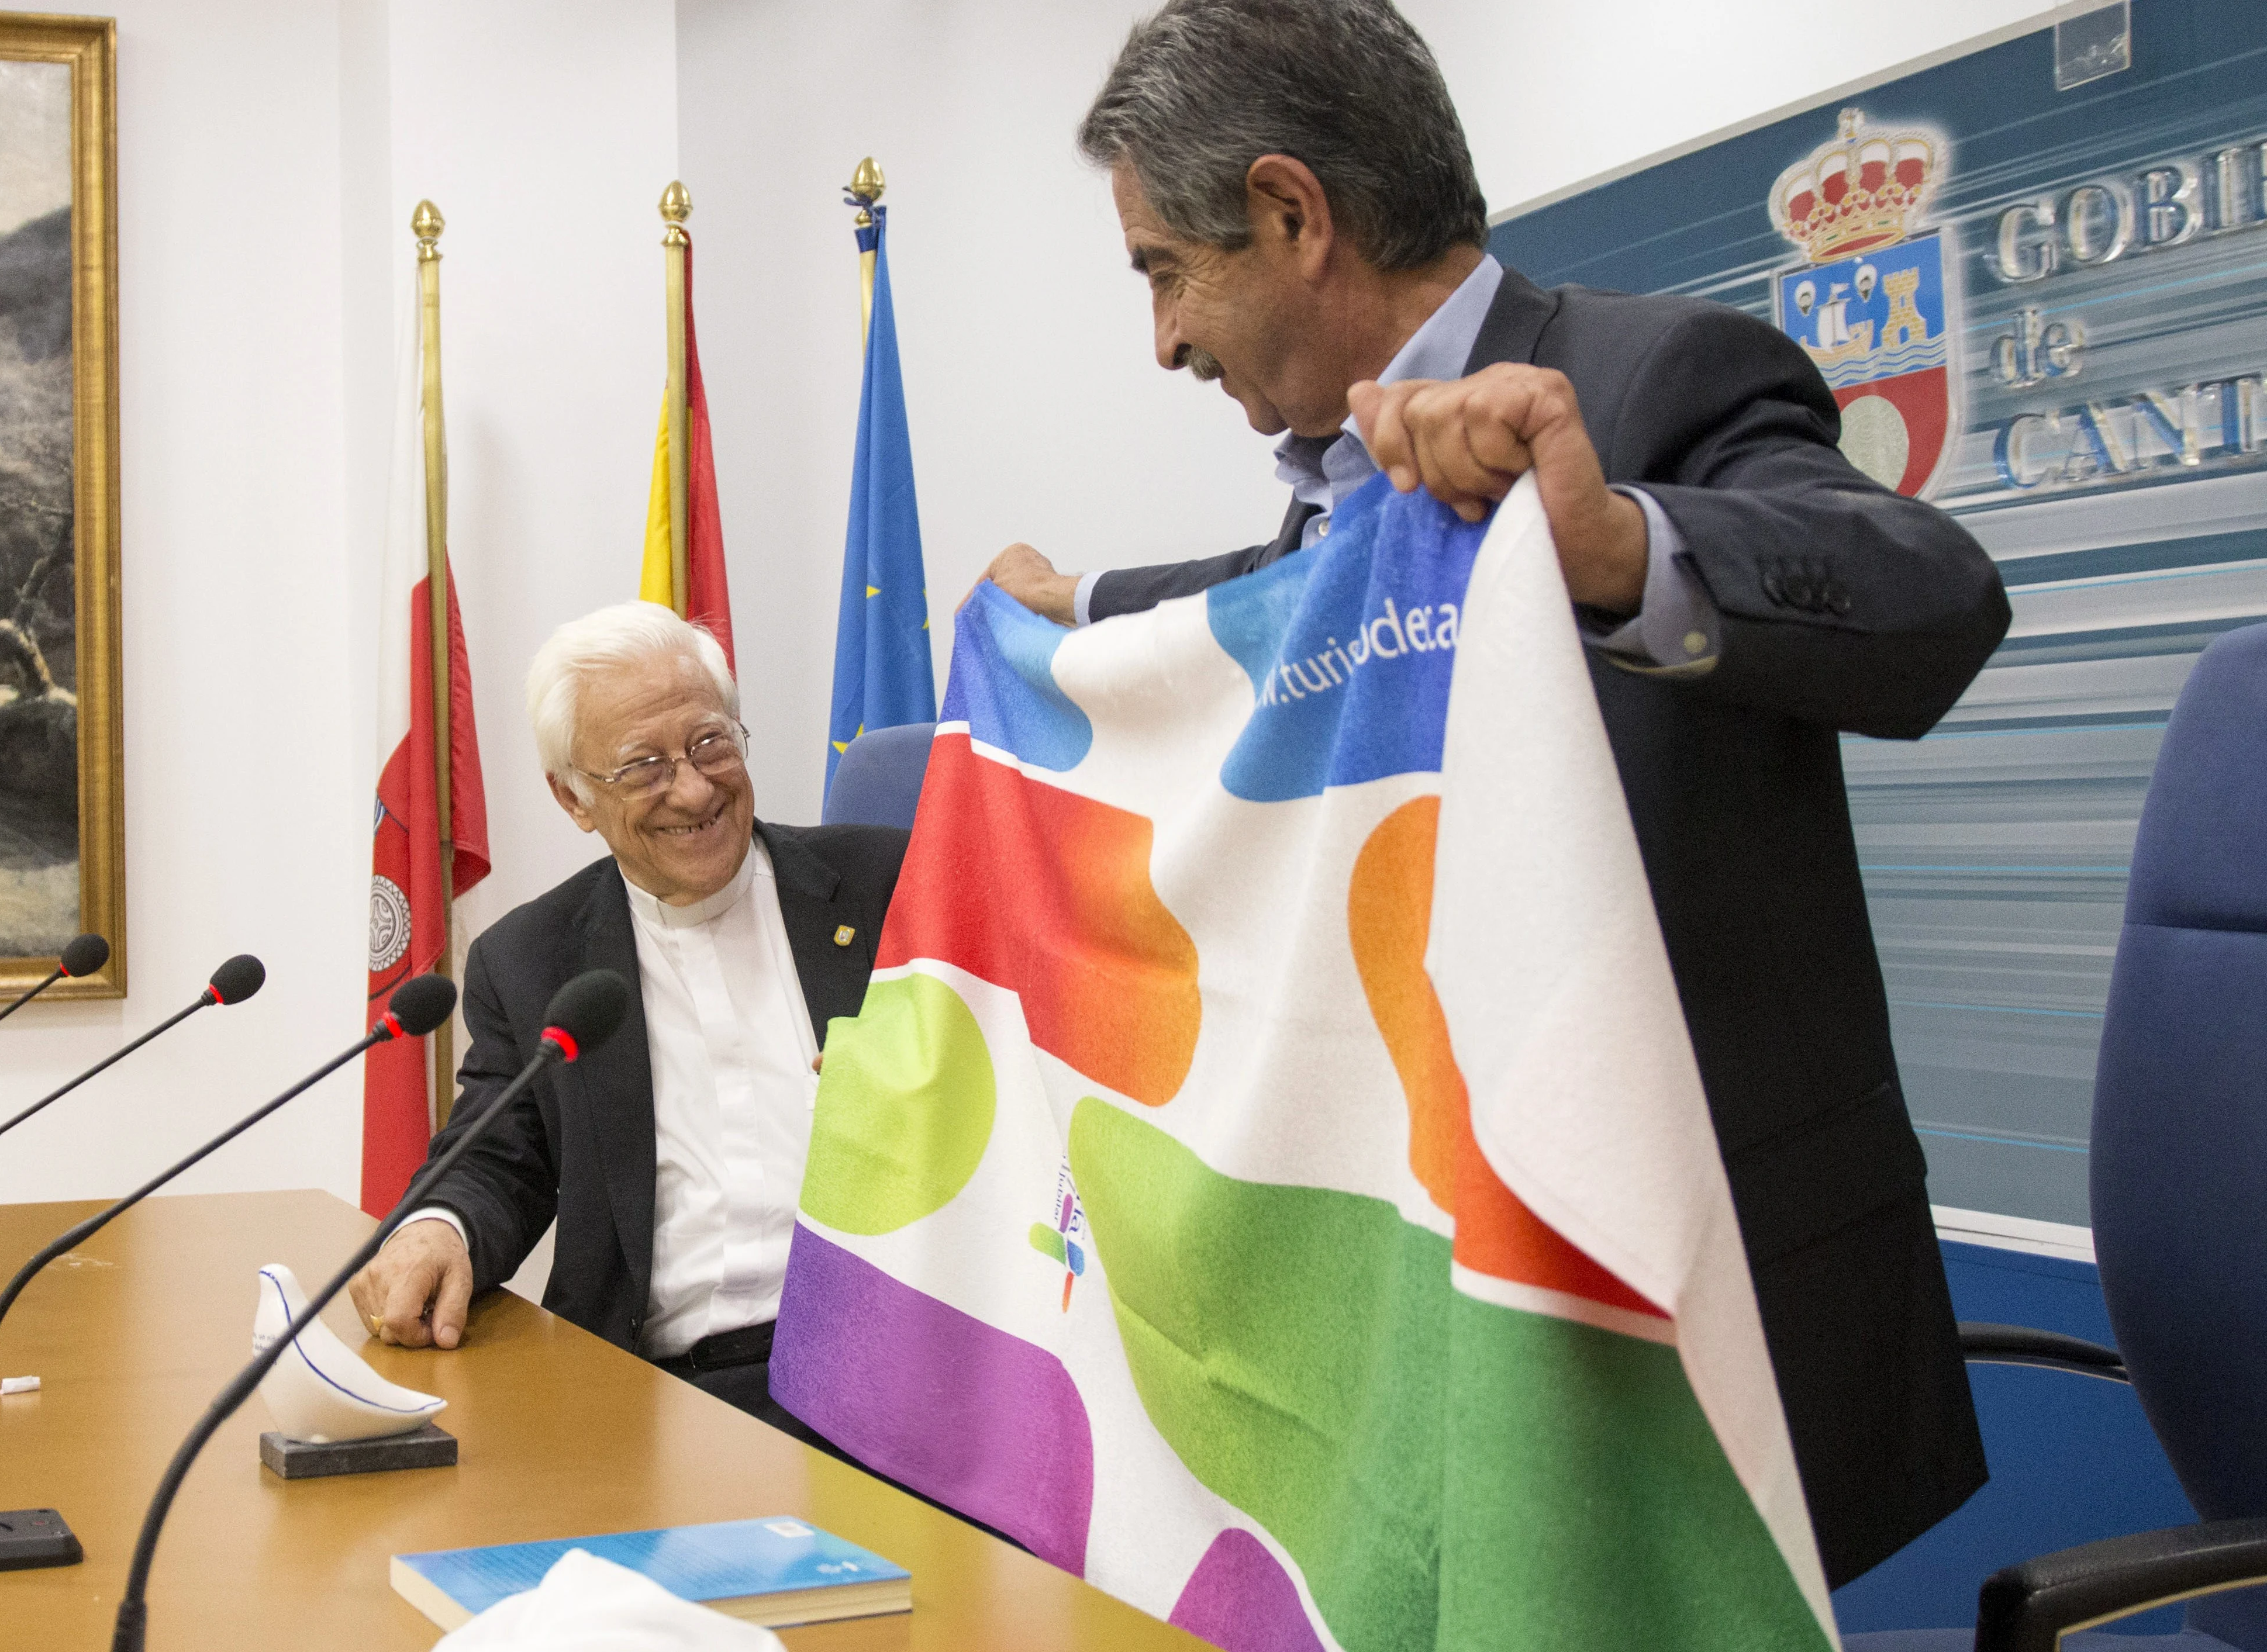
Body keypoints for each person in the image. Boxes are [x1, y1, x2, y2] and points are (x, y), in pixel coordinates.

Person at [982, 0, 2009, 1586]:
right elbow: (1262, 601)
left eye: (1163, 272)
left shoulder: (1657, 379)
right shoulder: (1336, 492)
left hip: (1678, 1301)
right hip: (1421, 1304)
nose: (1166, 340)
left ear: (1289, 214)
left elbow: (1933, 598)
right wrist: (1075, 608)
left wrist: (1612, 549)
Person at [347, 601, 908, 1442]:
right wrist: (439, 1229)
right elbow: (496, 1161)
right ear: (573, 798)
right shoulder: (531, 960)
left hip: (898, 1379)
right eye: (644, 766)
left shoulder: (887, 887)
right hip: (664, 1399)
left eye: (711, 742)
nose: (693, 787)